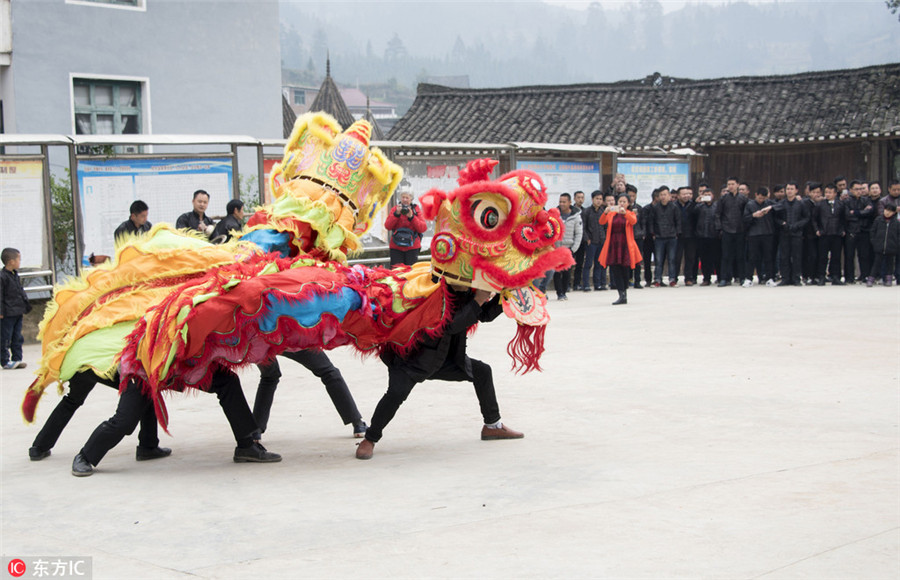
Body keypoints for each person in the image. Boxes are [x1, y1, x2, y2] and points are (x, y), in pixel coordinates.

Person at [355, 286, 523, 460]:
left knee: (482, 372)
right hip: (412, 359)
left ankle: (492, 426)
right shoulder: (430, 288)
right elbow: (449, 325)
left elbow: (483, 315)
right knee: (396, 394)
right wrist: (478, 300)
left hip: (445, 359)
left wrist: (507, 295)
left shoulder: (466, 289)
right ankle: (370, 438)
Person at [71, 369, 280, 476]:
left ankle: (246, 446)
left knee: (227, 380)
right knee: (125, 421)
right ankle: (85, 456)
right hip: (146, 364)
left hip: (187, 360)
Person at [28, 370, 169, 462]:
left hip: (83, 360)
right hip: (111, 363)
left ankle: (39, 446)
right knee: (140, 393)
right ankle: (85, 457)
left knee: (72, 400)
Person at [253, 350, 368, 440]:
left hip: (258, 339)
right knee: (329, 372)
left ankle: (255, 431)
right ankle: (357, 423)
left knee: (269, 377)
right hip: (289, 334)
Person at [598, 194, 643, 306]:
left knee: (625, 270)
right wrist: (605, 212)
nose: (622, 204)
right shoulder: (612, 213)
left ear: (628, 203)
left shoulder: (630, 213)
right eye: (620, 201)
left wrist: (625, 213)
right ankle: (621, 294)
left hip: (626, 244)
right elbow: (602, 222)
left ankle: (624, 292)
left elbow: (633, 221)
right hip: (613, 243)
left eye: (624, 201)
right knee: (615, 269)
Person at [773, 181, 809, 286]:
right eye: (788, 189)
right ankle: (785, 278)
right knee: (784, 256)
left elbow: (806, 217)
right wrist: (782, 223)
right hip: (784, 233)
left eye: (791, 189)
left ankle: (796, 278)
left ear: (796, 190)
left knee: (796, 256)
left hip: (797, 233)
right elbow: (776, 218)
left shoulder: (801, 204)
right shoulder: (781, 203)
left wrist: (798, 225)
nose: (789, 191)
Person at [1, 248, 31, 370]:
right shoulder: (2, 277)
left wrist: (26, 305)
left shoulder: (15, 275)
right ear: (11, 261)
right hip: (7, 313)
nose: (20, 262)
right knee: (5, 337)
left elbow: (20, 292)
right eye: (19, 259)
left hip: (18, 311)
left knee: (17, 336)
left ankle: (17, 358)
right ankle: (5, 361)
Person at [716, 177, 748, 286]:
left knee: (740, 255)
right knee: (725, 256)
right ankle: (725, 278)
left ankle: (742, 277)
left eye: (732, 184)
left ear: (737, 185)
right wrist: (720, 228)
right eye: (728, 184)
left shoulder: (743, 199)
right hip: (727, 230)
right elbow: (717, 214)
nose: (730, 186)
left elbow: (747, 215)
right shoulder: (723, 199)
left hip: (740, 230)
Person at [384, 187, 427, 267]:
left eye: (407, 197)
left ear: (411, 199)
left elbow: (422, 228)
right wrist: (396, 214)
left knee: (410, 272)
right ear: (400, 198)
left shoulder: (415, 210)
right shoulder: (395, 209)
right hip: (396, 247)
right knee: (396, 272)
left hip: (412, 247)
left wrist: (412, 217)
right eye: (403, 197)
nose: (405, 200)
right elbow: (388, 226)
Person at [743, 186, 776, 287]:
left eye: (764, 198)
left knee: (768, 257)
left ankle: (769, 278)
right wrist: (753, 215)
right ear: (756, 195)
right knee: (752, 257)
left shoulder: (769, 203)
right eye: (760, 197)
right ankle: (749, 278)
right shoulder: (750, 204)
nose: (761, 200)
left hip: (767, 233)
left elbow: (780, 206)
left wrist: (770, 207)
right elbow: (744, 219)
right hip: (754, 234)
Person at [814, 183, 846, 285]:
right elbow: (814, 219)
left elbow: (844, 218)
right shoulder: (820, 204)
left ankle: (835, 276)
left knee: (836, 256)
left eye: (830, 192)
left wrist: (842, 229)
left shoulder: (841, 204)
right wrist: (817, 229)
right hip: (824, 233)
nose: (828, 194)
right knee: (822, 257)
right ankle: (821, 276)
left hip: (836, 233)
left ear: (835, 193)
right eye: (826, 192)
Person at [553, 193, 582, 300]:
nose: (561, 204)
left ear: (570, 202)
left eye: (564, 202)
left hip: (568, 249)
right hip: (556, 249)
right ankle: (559, 293)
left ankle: (564, 291)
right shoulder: (555, 215)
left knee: (566, 272)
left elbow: (579, 234)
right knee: (556, 272)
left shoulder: (576, 216)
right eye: (560, 201)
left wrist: (573, 249)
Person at [649, 186, 680, 287]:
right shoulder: (655, 208)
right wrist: (653, 234)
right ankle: (657, 279)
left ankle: (672, 279)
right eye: (661, 195)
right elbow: (651, 222)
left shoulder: (674, 207)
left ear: (669, 196)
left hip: (672, 237)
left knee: (672, 259)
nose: (663, 197)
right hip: (659, 237)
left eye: (665, 194)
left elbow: (678, 221)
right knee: (658, 259)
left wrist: (677, 233)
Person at [843, 180, 873, 284]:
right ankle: (849, 277)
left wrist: (855, 212)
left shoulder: (866, 200)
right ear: (851, 190)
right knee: (849, 255)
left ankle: (864, 276)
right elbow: (847, 215)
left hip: (864, 230)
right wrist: (861, 213)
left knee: (864, 255)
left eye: (861, 189)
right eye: (856, 189)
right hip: (851, 230)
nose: (859, 191)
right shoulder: (846, 201)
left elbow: (869, 212)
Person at [692, 183, 720, 286]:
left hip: (715, 235)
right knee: (704, 259)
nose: (708, 196)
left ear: (713, 195)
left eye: (709, 194)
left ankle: (720, 277)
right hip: (702, 235)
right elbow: (693, 215)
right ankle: (706, 278)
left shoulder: (718, 205)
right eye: (705, 194)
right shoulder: (699, 206)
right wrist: (697, 202)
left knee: (717, 258)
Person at [867, 202, 899, 287]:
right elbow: (873, 232)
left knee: (890, 264)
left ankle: (888, 279)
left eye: (890, 211)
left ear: (894, 212)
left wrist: (896, 244)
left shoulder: (896, 222)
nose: (887, 212)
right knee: (876, 263)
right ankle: (871, 279)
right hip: (879, 246)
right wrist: (874, 242)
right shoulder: (878, 219)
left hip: (891, 246)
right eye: (886, 210)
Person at [580, 190, 606, 292]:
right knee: (588, 264)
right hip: (591, 242)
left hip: (601, 241)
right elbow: (583, 227)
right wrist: (587, 239)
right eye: (597, 199)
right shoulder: (586, 211)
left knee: (599, 264)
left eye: (600, 199)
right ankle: (586, 284)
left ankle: (597, 284)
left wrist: (604, 238)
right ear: (592, 199)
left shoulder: (603, 212)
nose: (599, 201)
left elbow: (605, 227)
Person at [674, 186, 698, 286]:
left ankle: (688, 278)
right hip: (678, 235)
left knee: (690, 257)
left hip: (691, 235)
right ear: (678, 195)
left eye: (688, 194)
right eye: (684, 194)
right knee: (677, 258)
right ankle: (674, 277)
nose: (686, 196)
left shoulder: (694, 205)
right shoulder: (674, 205)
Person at [801, 183, 823, 285]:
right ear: (809, 193)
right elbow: (809, 217)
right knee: (810, 255)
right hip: (808, 234)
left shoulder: (823, 203)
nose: (816, 194)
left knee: (819, 255)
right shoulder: (805, 203)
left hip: (821, 233)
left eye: (818, 192)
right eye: (813, 192)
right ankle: (807, 275)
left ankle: (817, 275)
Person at [627, 185, 645, 289]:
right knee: (628, 259)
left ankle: (637, 280)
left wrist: (643, 233)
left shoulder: (639, 208)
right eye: (629, 196)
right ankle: (629, 279)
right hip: (628, 237)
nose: (631, 198)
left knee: (638, 260)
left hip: (638, 237)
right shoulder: (624, 209)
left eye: (633, 196)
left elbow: (643, 222)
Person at [571, 190, 587, 290]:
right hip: (571, 240)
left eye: (582, 197)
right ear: (574, 199)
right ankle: (567, 284)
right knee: (569, 263)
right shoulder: (571, 210)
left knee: (579, 264)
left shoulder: (585, 211)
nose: (580, 199)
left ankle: (577, 284)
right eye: (578, 197)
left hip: (582, 240)